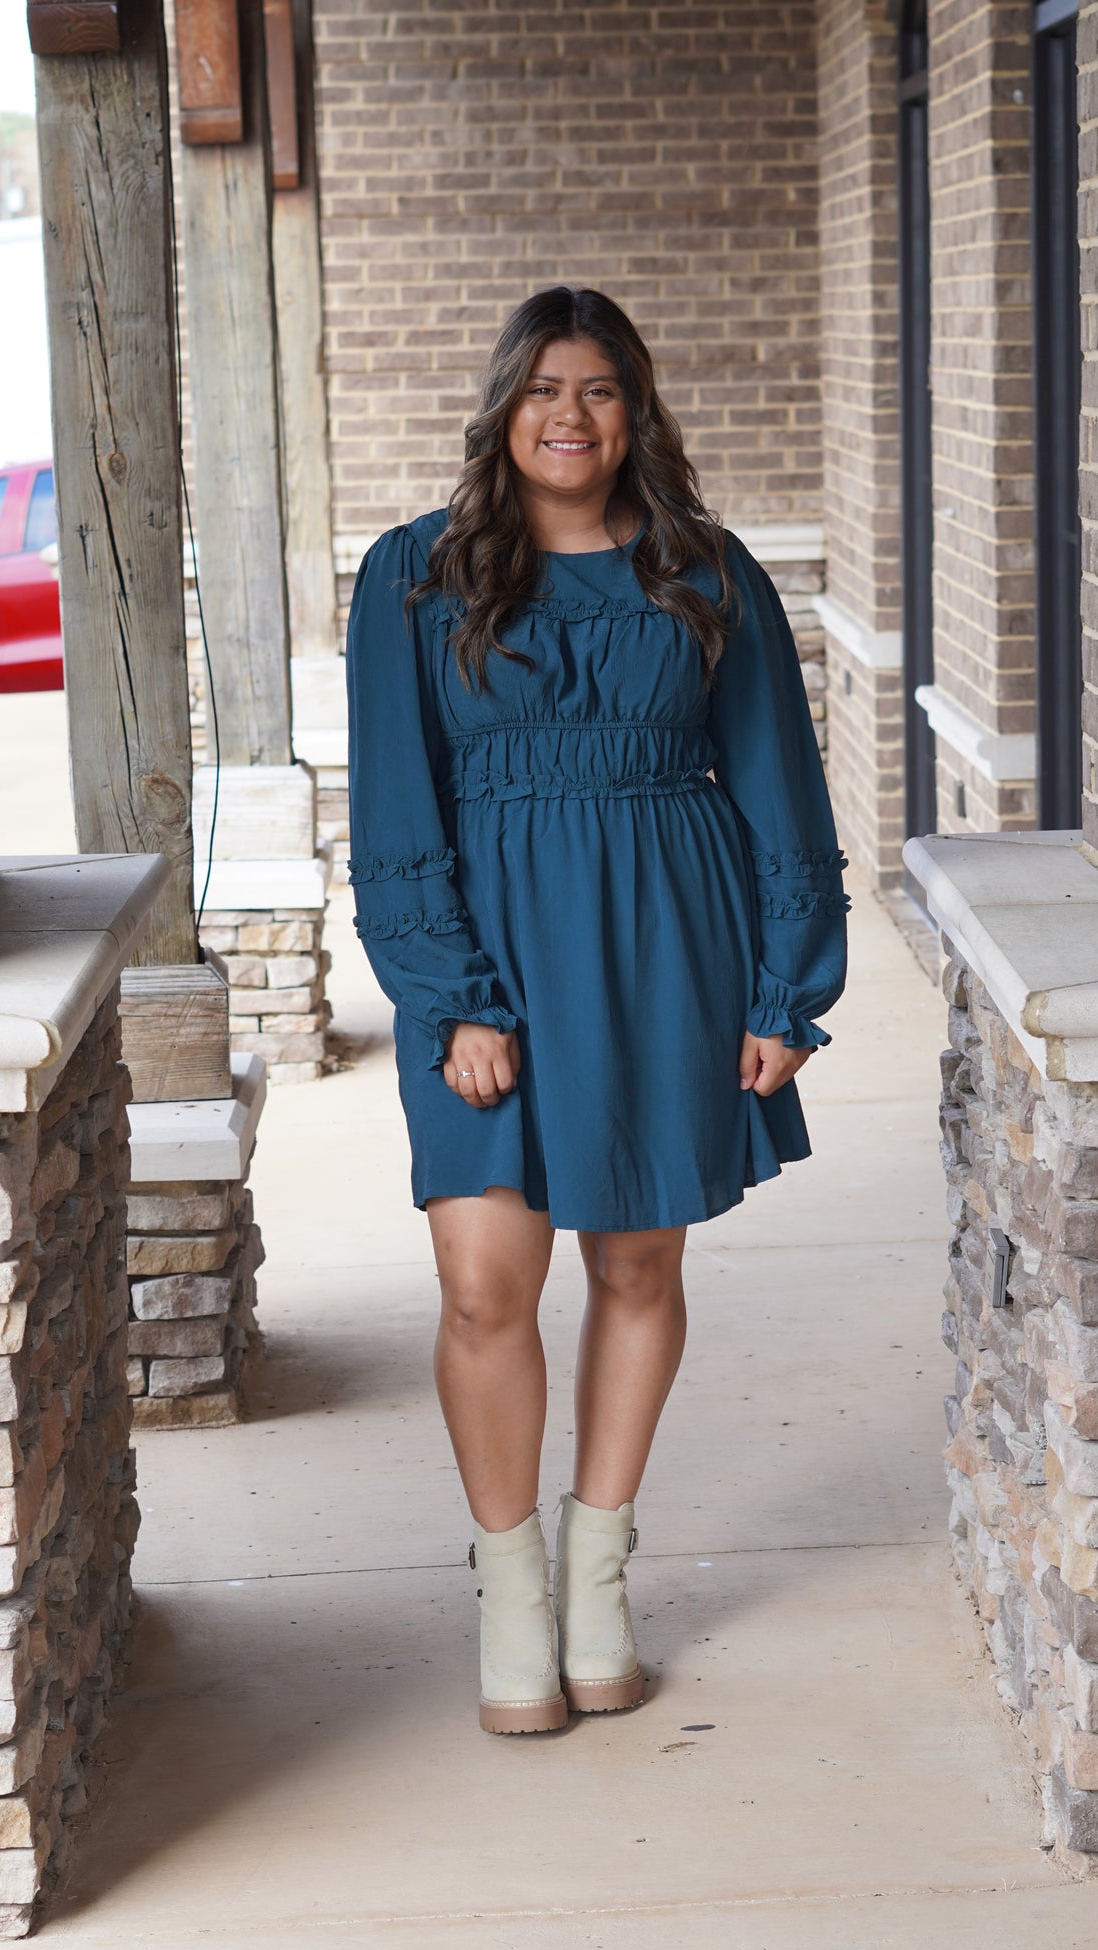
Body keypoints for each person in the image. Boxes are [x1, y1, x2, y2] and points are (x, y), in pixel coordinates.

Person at [346, 287, 847, 1735]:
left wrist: (781, 990)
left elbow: (778, 794)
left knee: (635, 1270)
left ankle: (597, 1573)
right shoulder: (415, 578)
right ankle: (509, 1586)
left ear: (637, 412)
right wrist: (452, 1000)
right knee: (482, 1283)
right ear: (504, 408)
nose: (571, 417)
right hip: (489, 957)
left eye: (602, 391)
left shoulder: (705, 571)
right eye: (544, 388)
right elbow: (394, 813)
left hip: (665, 955)